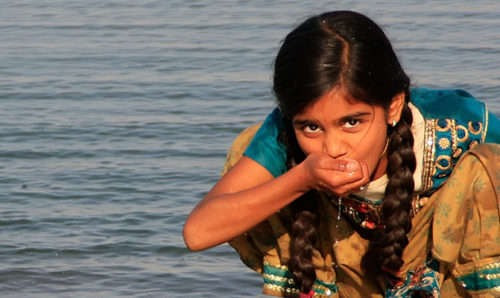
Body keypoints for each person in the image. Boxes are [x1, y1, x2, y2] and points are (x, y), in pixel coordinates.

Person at [183, 10, 500, 297]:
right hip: (344, 275)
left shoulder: (458, 120)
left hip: (446, 277)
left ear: (393, 105)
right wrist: (301, 179)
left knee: (490, 168)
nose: (333, 149)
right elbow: (199, 232)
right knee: (247, 150)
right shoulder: (282, 131)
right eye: (311, 128)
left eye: (351, 122)